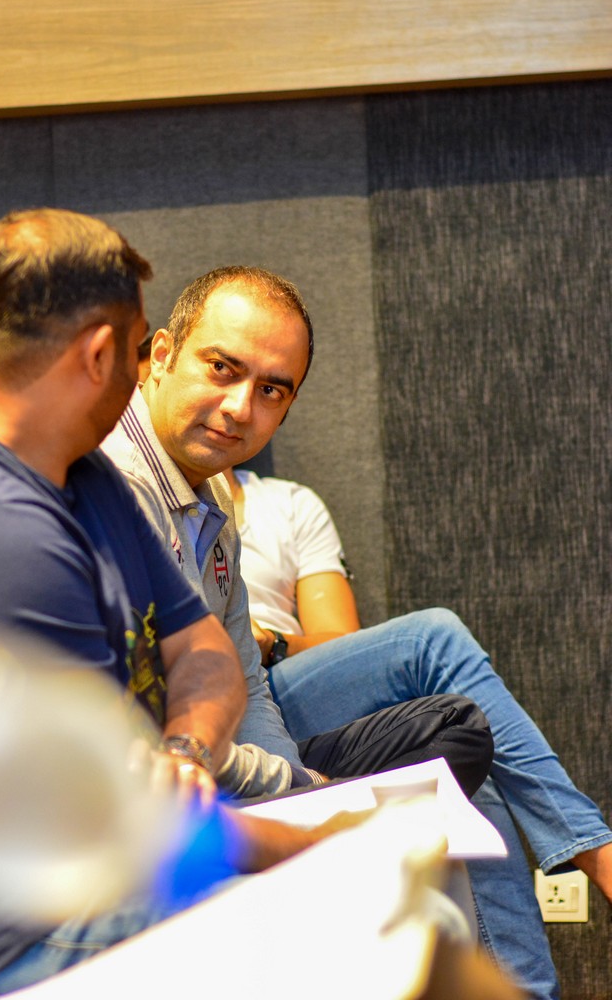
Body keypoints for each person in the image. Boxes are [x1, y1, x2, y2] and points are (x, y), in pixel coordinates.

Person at [0, 210, 489, 1000]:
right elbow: (120, 824)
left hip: (101, 862)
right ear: (105, 355)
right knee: (411, 923)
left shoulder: (75, 471)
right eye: (137, 349)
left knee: (416, 882)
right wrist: (316, 839)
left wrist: (188, 754)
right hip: (21, 941)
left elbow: (205, 649)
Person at [105, 265, 612, 1000]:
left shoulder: (229, 502)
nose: (240, 407)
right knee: (435, 645)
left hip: (257, 726)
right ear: (160, 356)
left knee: (464, 750)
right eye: (222, 368)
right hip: (157, 784)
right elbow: (152, 728)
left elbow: (253, 674)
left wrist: (297, 796)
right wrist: (298, 799)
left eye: (272, 390)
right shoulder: (111, 486)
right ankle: (593, 862)